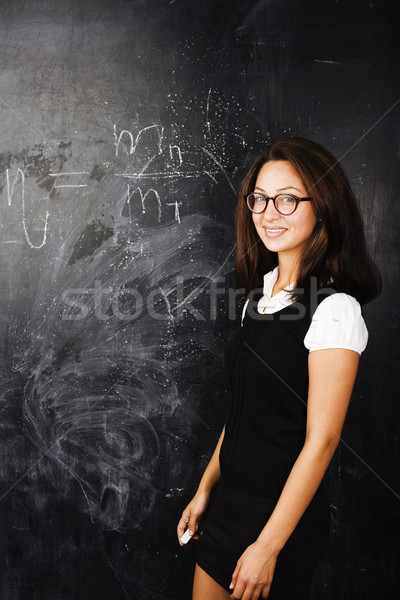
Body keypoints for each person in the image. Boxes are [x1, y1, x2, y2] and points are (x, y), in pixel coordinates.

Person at [177, 137, 381, 600]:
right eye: (260, 199)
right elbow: (243, 413)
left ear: (323, 207)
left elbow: (322, 441)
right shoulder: (263, 295)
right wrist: (207, 489)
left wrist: (268, 546)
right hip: (229, 503)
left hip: (279, 519)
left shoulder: (334, 309)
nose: (269, 213)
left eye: (288, 199)